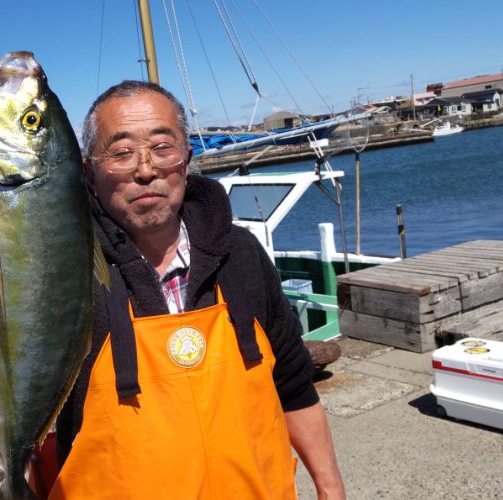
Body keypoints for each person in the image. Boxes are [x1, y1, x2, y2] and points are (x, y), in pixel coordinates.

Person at [48, 81, 345, 499]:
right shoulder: (62, 276)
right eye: (121, 152)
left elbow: (293, 384)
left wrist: (330, 488)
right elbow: (25, 417)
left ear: (186, 160)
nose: (145, 169)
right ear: (89, 174)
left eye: (161, 147)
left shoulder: (240, 253)